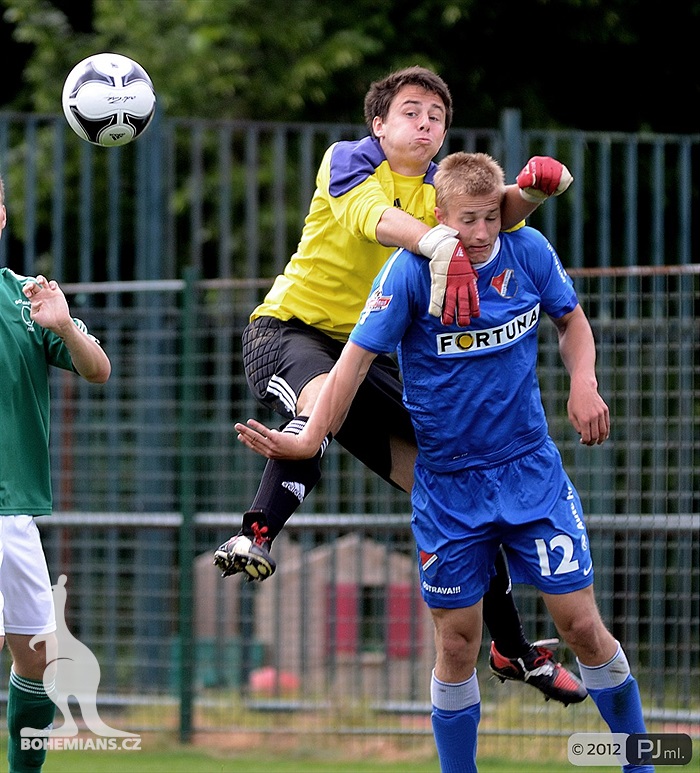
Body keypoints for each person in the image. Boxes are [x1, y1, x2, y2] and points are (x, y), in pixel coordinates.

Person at [234, 151, 654, 773]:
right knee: (455, 645)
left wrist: (584, 382)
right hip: (448, 489)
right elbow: (349, 364)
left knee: (583, 629)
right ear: (439, 216)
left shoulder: (529, 251)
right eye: (466, 222)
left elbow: (572, 322)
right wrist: (308, 437)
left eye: (489, 218)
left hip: (529, 474)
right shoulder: (408, 275)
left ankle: (640, 761)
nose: (480, 234)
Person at [214, 65, 584, 705]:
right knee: (317, 401)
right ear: (378, 124)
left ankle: (511, 648)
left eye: (436, 117)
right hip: (291, 333)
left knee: (457, 485)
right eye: (411, 112)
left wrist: (533, 189)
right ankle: (257, 533)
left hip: (369, 361)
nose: (425, 124)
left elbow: (497, 214)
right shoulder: (349, 162)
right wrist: (438, 244)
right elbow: (374, 221)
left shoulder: (442, 194)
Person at [0, 174, 112, 773]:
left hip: (13, 510)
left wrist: (64, 325)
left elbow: (99, 370)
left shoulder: (25, 297)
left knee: (36, 659)